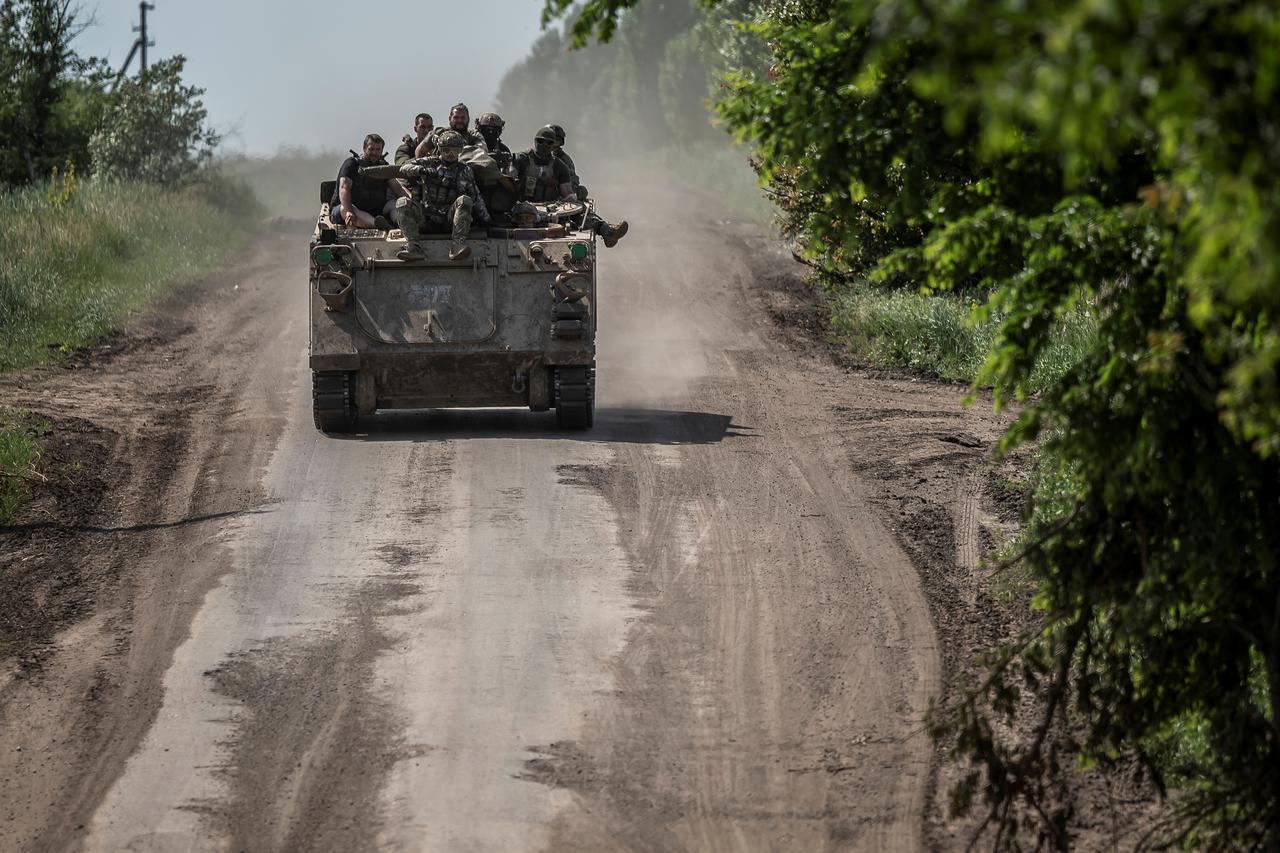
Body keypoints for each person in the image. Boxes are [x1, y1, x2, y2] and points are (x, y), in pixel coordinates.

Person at [363, 130, 490, 262]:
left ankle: (457, 245)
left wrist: (486, 220)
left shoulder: (465, 171)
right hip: (425, 216)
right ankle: (414, 248)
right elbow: (404, 168)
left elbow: (476, 196)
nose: (451, 154)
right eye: (446, 150)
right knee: (402, 202)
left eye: (456, 150)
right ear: (440, 149)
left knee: (465, 200)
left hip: (449, 219)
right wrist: (422, 170)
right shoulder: (429, 162)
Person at [520, 124, 628, 247]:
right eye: (542, 141)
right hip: (526, 203)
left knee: (578, 210)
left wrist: (567, 196)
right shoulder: (525, 158)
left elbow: (570, 182)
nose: (547, 146)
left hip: (555, 203)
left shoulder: (562, 162)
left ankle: (607, 231)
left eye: (553, 141)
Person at [331, 133, 408, 229]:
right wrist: (349, 211)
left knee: (395, 204)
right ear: (364, 148)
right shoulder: (352, 164)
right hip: (349, 209)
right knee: (345, 209)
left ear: (382, 150)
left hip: (376, 211)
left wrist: (412, 204)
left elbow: (398, 189)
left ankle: (404, 223)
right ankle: (379, 225)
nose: (374, 153)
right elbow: (344, 188)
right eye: (371, 149)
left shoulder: (383, 167)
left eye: (377, 150)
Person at [421, 103, 486, 156]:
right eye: (456, 117)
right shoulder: (438, 133)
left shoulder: (474, 135)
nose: (459, 120)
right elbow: (420, 151)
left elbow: (482, 151)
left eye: (463, 117)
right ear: (450, 119)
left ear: (468, 119)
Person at [549, 124, 586, 201]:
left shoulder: (564, 159)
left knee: (582, 191)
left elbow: (572, 179)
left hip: (557, 194)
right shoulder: (530, 156)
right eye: (550, 140)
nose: (553, 144)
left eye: (556, 141)